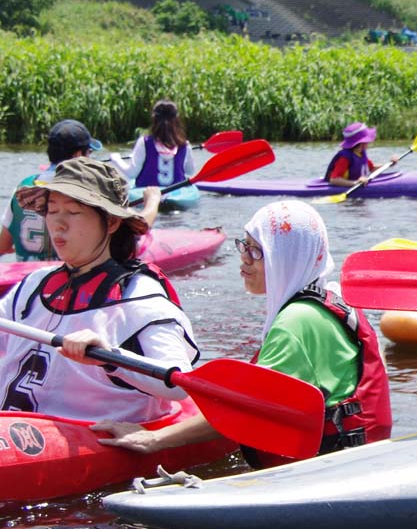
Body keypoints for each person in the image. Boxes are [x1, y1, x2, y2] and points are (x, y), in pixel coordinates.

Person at [95, 200, 393, 469]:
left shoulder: (296, 321)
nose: (244, 260)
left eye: (257, 252)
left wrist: (154, 438)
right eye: (244, 246)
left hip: (330, 469)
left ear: (286, 258)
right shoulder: (332, 296)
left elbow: (251, 412)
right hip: (357, 456)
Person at [0, 158, 197, 423]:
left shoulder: (140, 298)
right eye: (51, 209)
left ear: (112, 222)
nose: (58, 224)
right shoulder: (34, 285)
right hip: (14, 433)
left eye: (72, 212)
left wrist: (110, 357)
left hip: (83, 443)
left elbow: (178, 385)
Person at [0, 119, 111, 261]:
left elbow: (3, 246)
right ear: (78, 155)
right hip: (66, 277)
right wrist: (150, 202)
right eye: (89, 152)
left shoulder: (23, 187)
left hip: (24, 277)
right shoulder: (88, 190)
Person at [111, 99, 195, 207]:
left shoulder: (144, 142)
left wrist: (116, 159)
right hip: (177, 195)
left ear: (154, 118)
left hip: (147, 194)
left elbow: (131, 173)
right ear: (176, 119)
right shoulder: (184, 144)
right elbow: (190, 171)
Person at [325, 122, 400, 187]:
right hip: (344, 186)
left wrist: (389, 164)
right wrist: (355, 183)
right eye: (367, 140)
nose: (369, 142)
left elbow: (371, 168)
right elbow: (333, 180)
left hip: (357, 182)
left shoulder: (360, 153)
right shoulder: (345, 157)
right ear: (361, 143)